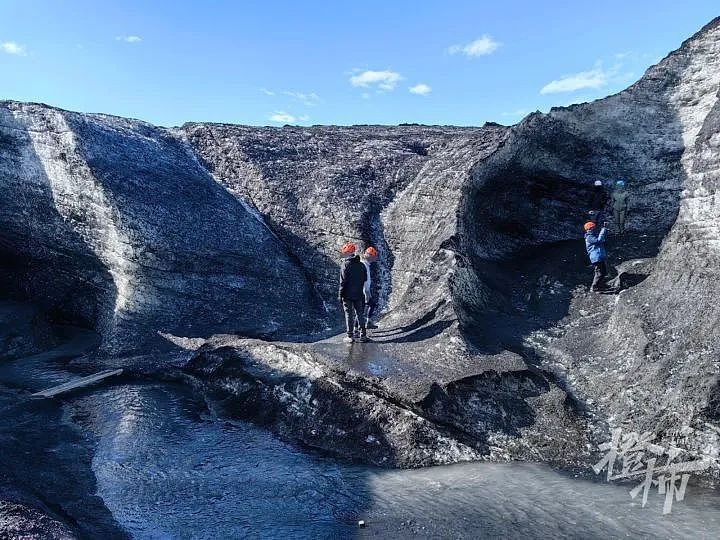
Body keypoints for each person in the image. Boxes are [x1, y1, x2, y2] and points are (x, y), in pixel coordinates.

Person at [338, 242, 368, 343]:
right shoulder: (361, 265)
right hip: (359, 294)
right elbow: (365, 278)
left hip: (347, 294)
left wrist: (340, 295)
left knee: (349, 314)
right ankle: (363, 335)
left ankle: (350, 336)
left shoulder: (345, 265)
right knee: (360, 313)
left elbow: (342, 282)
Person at [355, 246, 379, 335]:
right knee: (360, 311)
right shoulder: (363, 264)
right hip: (362, 292)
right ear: (370, 256)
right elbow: (364, 280)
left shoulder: (366, 264)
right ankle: (356, 330)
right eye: (374, 256)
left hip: (363, 291)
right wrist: (366, 293)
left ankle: (367, 323)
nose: (375, 258)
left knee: (371, 304)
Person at [584, 221, 609, 292]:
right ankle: (594, 287)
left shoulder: (593, 235)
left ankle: (598, 285)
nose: (595, 228)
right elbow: (598, 241)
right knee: (599, 272)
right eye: (593, 227)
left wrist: (605, 229)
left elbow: (602, 238)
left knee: (603, 272)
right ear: (590, 229)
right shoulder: (589, 237)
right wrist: (603, 230)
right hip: (596, 257)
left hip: (599, 257)